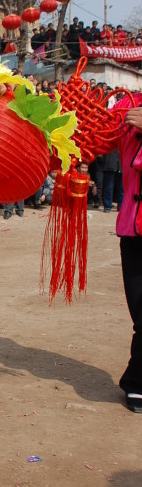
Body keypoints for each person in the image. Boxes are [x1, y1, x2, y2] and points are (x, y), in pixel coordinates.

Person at [107, 95, 142, 412]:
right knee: (140, 311)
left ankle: (136, 381)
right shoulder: (126, 110)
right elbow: (92, 137)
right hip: (133, 230)